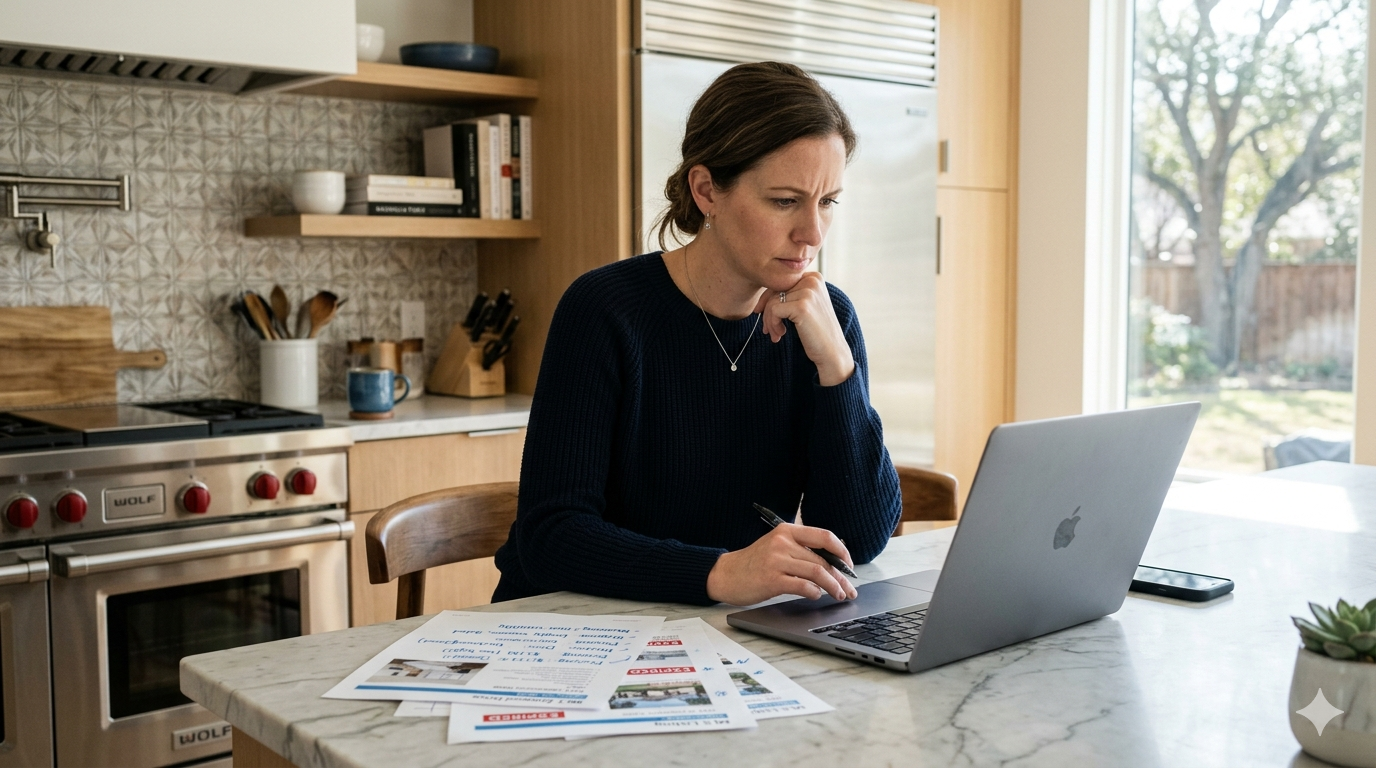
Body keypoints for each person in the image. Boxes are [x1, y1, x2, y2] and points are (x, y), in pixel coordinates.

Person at [492, 61, 901, 607]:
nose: (812, 233)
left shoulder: (827, 319)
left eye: (827, 202)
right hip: (570, 631)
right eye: (785, 201)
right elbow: (552, 536)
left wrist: (837, 370)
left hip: (716, 633)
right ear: (707, 190)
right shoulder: (605, 311)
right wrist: (721, 572)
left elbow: (858, 541)